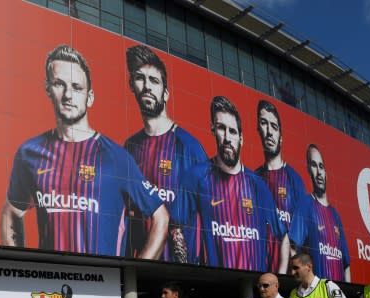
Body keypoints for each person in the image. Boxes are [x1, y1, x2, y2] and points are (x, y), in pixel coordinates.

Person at [1, 44, 169, 258]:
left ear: (90, 97)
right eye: (59, 84)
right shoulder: (29, 153)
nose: (68, 94)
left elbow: (160, 216)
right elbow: (12, 211)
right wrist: (17, 267)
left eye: (77, 87)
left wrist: (135, 276)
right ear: (48, 90)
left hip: (101, 286)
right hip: (48, 286)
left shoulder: (116, 157)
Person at [175, 96, 285, 271]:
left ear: (241, 138)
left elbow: (282, 236)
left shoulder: (258, 185)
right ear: (213, 130)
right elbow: (175, 226)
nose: (227, 138)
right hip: (212, 286)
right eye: (221, 128)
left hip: (254, 288)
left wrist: (277, 278)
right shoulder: (196, 176)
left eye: (232, 131)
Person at [124, 45, 208, 263]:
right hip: (141, 269)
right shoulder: (130, 147)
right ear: (131, 85)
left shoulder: (190, 147)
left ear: (166, 92)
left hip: (182, 273)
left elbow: (208, 213)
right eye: (140, 78)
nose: (147, 86)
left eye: (154, 80)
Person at [254, 100, 305, 275]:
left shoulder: (295, 180)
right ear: (258, 130)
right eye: (263, 123)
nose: (269, 132)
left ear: (281, 136)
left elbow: (301, 235)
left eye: (274, 126)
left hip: (289, 275)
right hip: (258, 270)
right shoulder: (253, 178)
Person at [287, 144, 351, 281]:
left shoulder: (335, 214)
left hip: (338, 293)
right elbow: (293, 248)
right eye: (314, 165)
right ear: (309, 170)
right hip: (315, 293)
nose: (319, 172)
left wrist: (348, 291)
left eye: (321, 166)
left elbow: (346, 264)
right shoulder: (305, 204)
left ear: (326, 174)